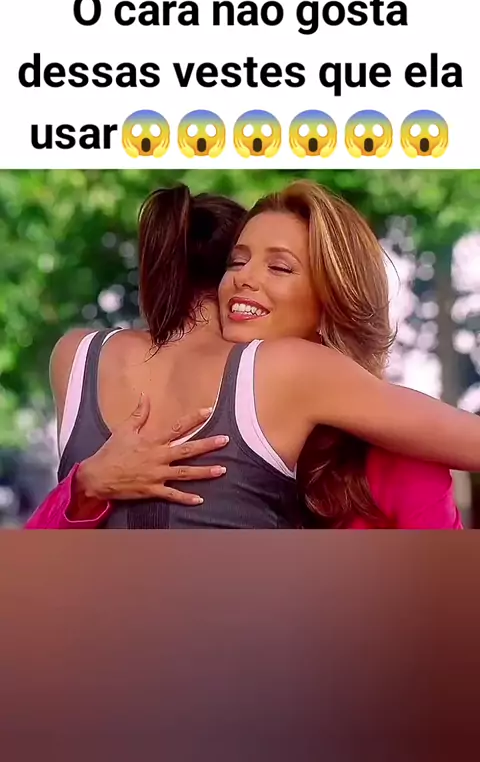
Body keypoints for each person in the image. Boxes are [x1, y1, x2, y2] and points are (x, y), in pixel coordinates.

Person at [27, 181, 472, 530]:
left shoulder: (390, 457)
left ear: (329, 304)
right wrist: (86, 487)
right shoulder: (276, 379)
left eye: (279, 267)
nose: (244, 278)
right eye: (235, 262)